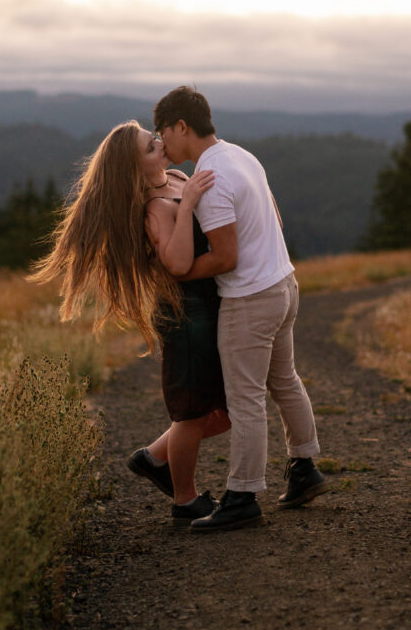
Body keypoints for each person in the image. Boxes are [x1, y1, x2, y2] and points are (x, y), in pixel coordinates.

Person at [30, 119, 231, 527]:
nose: (160, 143)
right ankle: (184, 499)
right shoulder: (155, 209)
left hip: (210, 306)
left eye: (155, 138)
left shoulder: (175, 176)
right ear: (135, 168)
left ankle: (154, 457)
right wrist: (189, 203)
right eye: (150, 146)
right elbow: (176, 264)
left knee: (224, 410)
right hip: (185, 314)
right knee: (192, 411)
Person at [153, 86, 329, 533]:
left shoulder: (209, 179)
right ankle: (305, 467)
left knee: (245, 399)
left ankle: (243, 496)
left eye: (164, 134)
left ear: (182, 126)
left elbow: (225, 258)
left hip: (249, 299)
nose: (163, 145)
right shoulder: (241, 155)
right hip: (283, 283)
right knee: (284, 380)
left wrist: (178, 274)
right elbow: (276, 220)